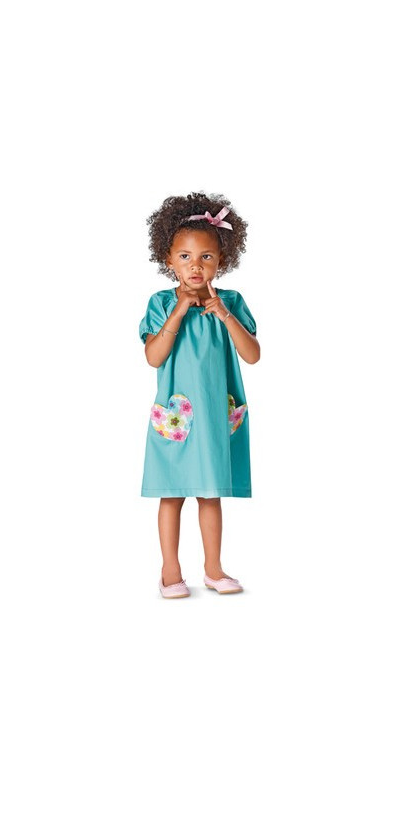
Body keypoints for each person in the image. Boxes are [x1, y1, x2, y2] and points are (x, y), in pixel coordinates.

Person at [138, 192, 260, 599]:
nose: (195, 266)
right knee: (171, 493)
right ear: (168, 260)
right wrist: (178, 311)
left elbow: (252, 354)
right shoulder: (161, 303)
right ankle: (170, 570)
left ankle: (213, 568)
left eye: (206, 257)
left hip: (213, 416)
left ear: (221, 259)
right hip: (176, 418)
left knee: (210, 494)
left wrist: (223, 313)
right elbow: (154, 356)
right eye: (185, 257)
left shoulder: (232, 302)